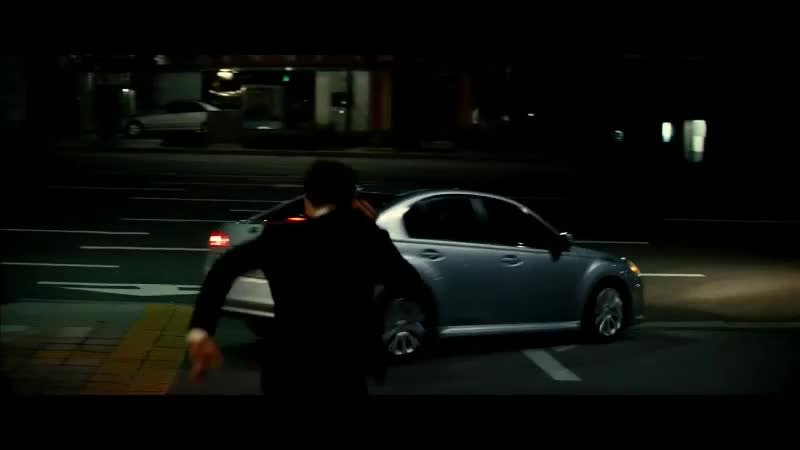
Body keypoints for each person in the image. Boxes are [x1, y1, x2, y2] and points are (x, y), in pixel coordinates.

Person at [186, 160, 430, 396]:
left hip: (287, 368)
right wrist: (371, 230)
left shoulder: (280, 238)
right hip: (343, 369)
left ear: (307, 200)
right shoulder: (367, 239)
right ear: (352, 200)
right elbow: (411, 286)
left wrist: (201, 330)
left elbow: (223, 269)